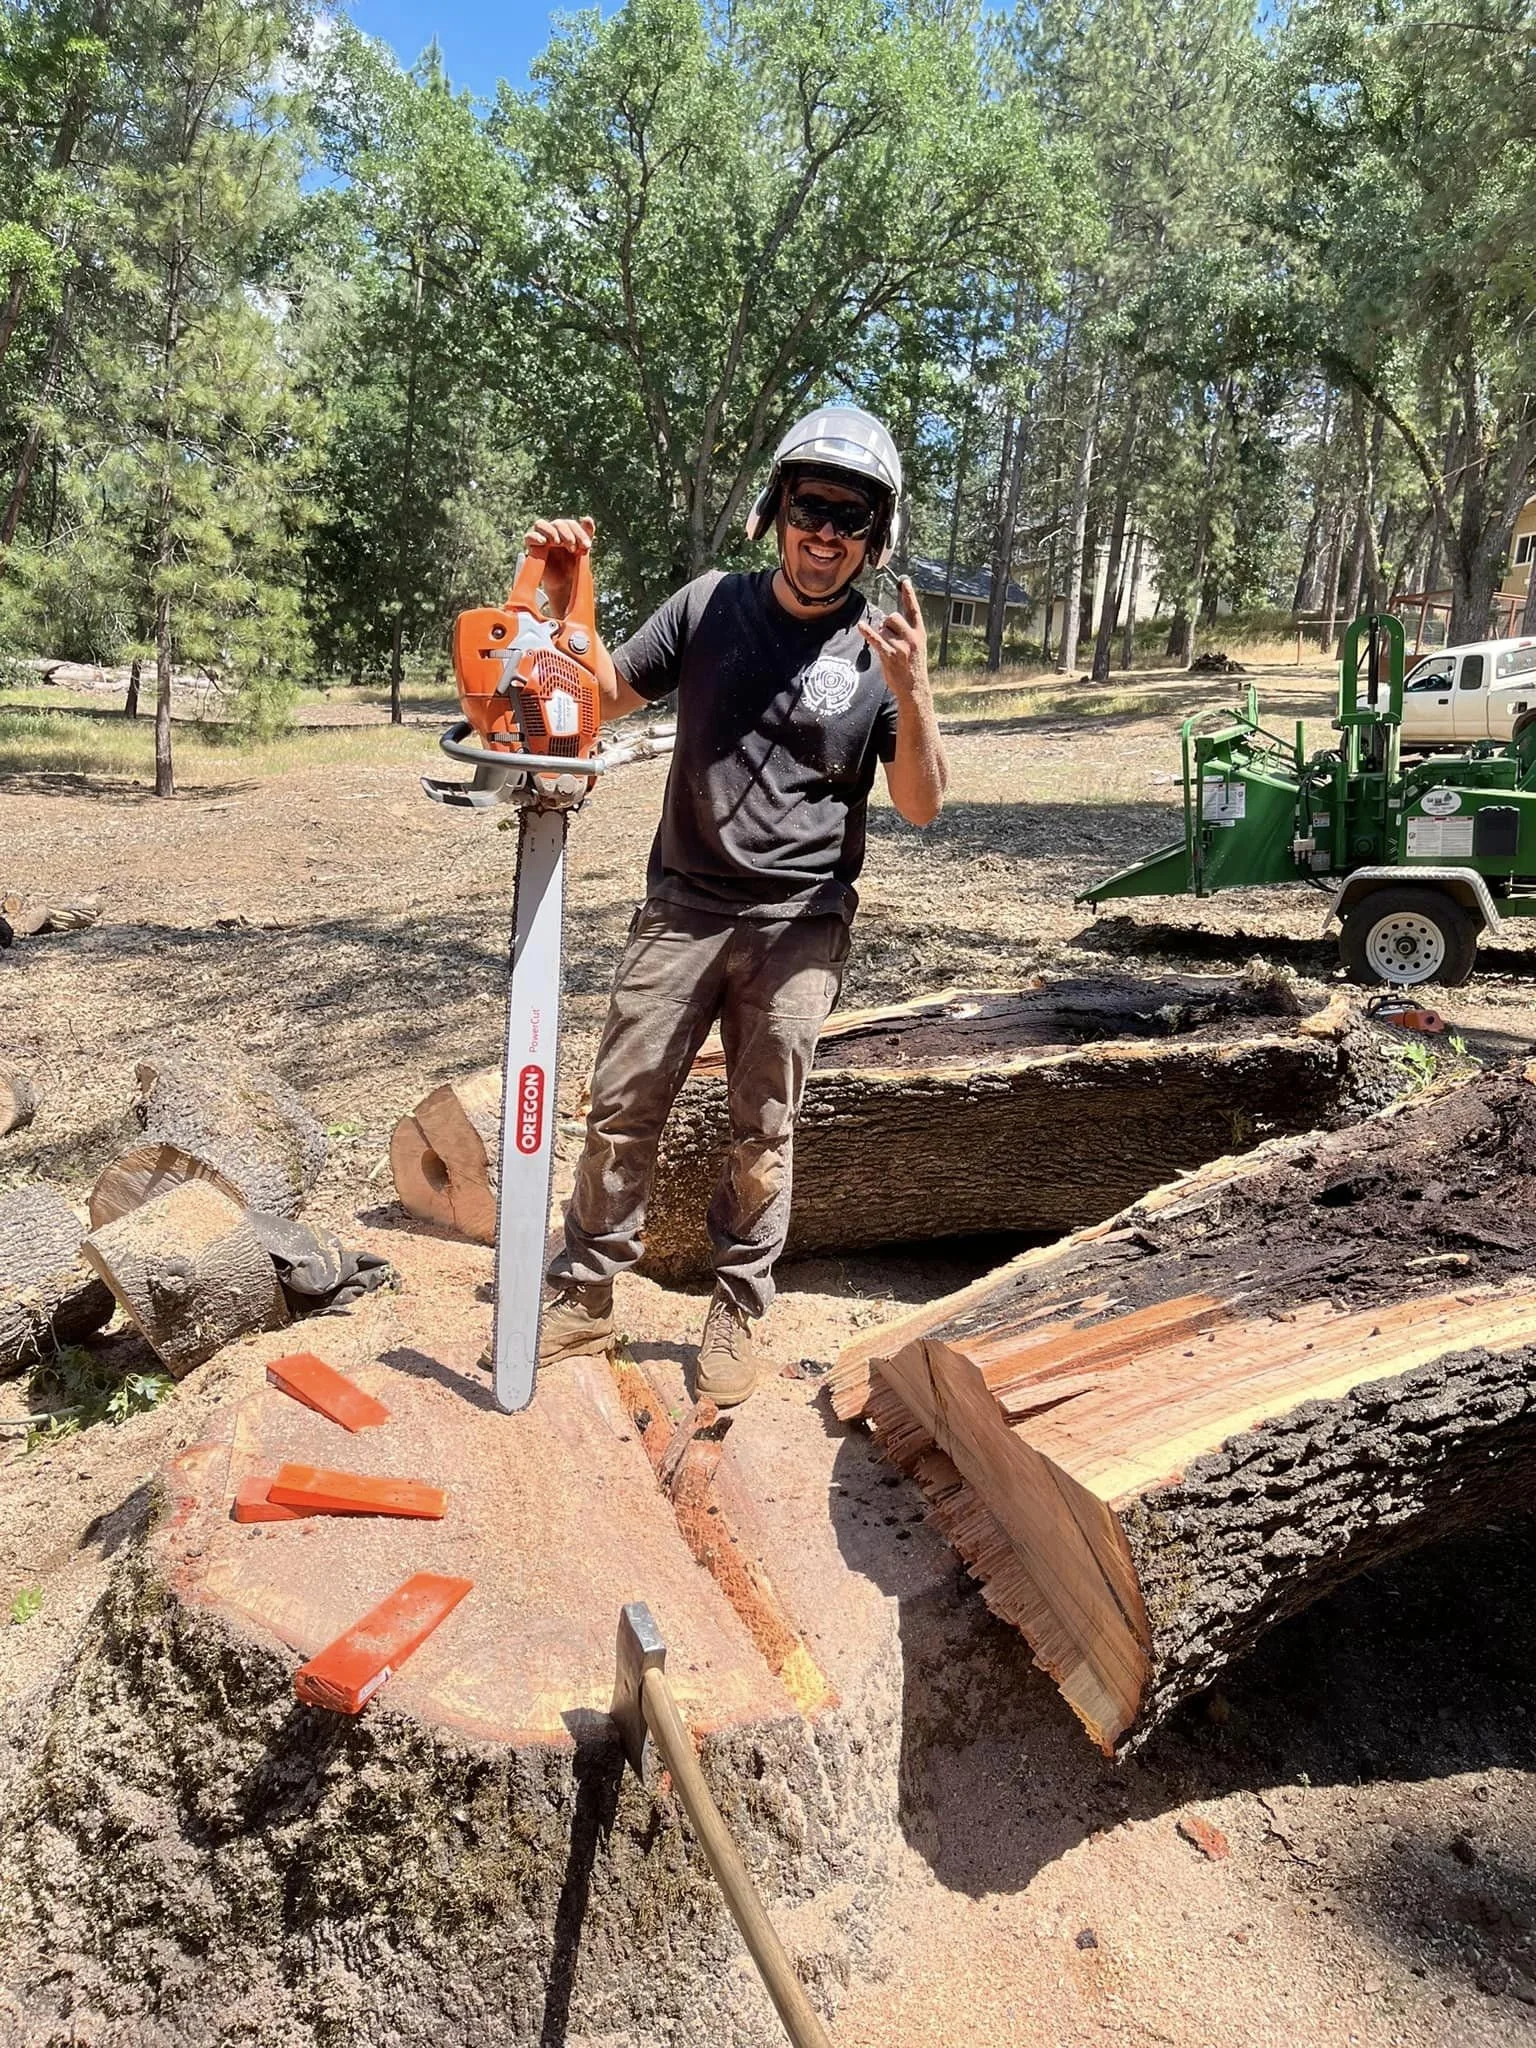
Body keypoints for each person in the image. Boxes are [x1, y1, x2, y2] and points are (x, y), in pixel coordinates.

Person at [528, 405, 948, 1406]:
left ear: (877, 536)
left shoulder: (881, 650)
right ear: (776, 509)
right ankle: (585, 1291)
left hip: (801, 923)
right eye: (811, 507)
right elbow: (602, 694)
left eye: (851, 517)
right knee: (622, 1104)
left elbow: (922, 806)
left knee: (764, 1129)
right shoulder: (709, 605)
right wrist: (562, 591)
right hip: (683, 904)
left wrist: (915, 690)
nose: (826, 533)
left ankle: (738, 1305)